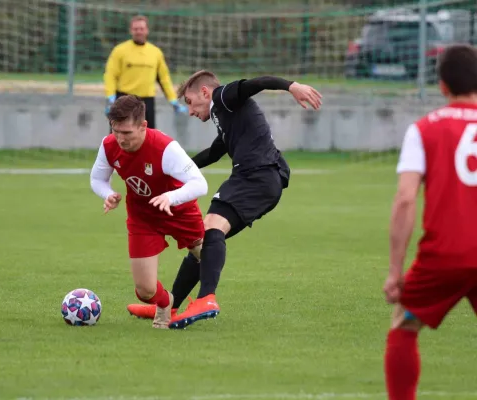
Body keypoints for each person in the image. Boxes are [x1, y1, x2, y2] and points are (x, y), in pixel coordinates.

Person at [127, 71, 323, 329]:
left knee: (209, 231)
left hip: (258, 176)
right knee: (203, 237)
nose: (190, 111)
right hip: (256, 179)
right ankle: (168, 306)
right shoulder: (225, 117)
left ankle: (206, 298)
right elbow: (212, 153)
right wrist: (171, 169)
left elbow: (258, 83)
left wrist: (292, 86)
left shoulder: (224, 97)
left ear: (205, 93)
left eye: (189, 101)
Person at [382, 44, 477, 400]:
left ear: (442, 86)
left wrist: (395, 270)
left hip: (446, 253)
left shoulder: (424, 129)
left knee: (404, 325)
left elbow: (406, 198)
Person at [90, 95, 208, 329]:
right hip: (142, 217)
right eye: (116, 131)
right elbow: (97, 179)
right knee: (144, 291)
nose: (120, 139)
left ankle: (205, 304)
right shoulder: (109, 145)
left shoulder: (165, 148)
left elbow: (199, 184)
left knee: (209, 258)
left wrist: (170, 197)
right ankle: (166, 303)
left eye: (127, 133)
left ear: (143, 126)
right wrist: (108, 195)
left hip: (179, 212)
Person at [103, 15, 186, 129]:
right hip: (123, 99)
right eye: (135, 29)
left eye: (141, 29)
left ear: (147, 30)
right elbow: (111, 75)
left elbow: (164, 79)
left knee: (148, 137)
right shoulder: (119, 51)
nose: (139, 32)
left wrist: (173, 101)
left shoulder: (155, 52)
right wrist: (110, 98)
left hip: (146, 102)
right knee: (120, 135)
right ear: (131, 30)